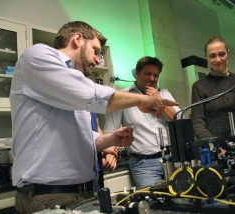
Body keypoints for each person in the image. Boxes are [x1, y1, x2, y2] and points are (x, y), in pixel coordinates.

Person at [10, 21, 178, 213]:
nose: (98, 60)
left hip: (82, 192)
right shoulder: (38, 55)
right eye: (96, 51)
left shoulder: (73, 82)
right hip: (47, 196)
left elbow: (83, 136)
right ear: (77, 39)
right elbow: (89, 95)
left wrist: (109, 139)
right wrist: (142, 100)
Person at [103, 56, 180, 189]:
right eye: (148, 74)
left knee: (182, 200)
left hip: (172, 159)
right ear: (137, 73)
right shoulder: (123, 97)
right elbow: (110, 131)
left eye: (155, 75)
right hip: (144, 164)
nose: (152, 78)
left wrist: (158, 99)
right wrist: (109, 153)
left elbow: (177, 119)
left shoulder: (164, 94)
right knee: (156, 203)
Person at [191, 36, 235, 151]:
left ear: (227, 53)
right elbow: (198, 125)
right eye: (212, 56)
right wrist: (217, 148)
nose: (218, 60)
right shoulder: (199, 87)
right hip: (217, 152)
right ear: (206, 57)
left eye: (221, 54)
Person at [91, 112, 119, 192]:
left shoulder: (91, 103)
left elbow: (97, 128)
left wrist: (109, 151)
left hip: (96, 168)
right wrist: (105, 147)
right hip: (79, 171)